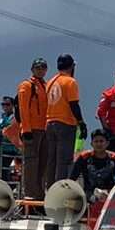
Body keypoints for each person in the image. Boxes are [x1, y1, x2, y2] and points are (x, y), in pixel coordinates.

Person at [44, 54, 83, 189]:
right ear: (72, 66)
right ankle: (60, 191)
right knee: (64, 160)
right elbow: (73, 105)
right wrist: (81, 122)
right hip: (65, 124)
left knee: (52, 161)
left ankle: (50, 189)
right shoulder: (70, 82)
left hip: (49, 123)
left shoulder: (50, 82)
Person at [17, 58, 50, 200]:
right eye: (38, 68)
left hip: (44, 129)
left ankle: (40, 194)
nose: (40, 70)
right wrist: (26, 129)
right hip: (31, 130)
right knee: (30, 163)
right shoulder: (27, 85)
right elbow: (23, 108)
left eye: (43, 68)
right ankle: (29, 194)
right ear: (32, 69)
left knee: (43, 164)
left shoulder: (46, 85)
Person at [70, 129, 115, 206]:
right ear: (91, 144)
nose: (99, 144)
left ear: (107, 143)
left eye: (101, 141)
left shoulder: (114, 158)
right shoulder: (83, 157)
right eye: (96, 141)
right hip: (88, 196)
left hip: (110, 195)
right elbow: (72, 178)